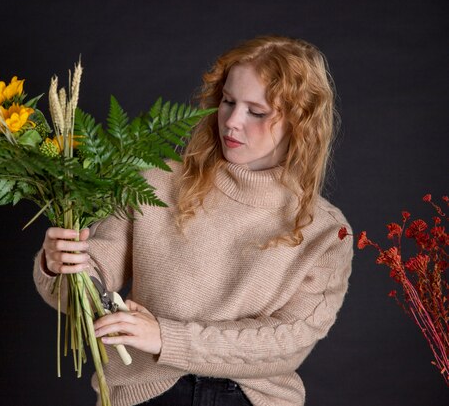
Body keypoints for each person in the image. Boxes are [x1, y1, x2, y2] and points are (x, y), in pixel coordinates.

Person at [33, 34, 354, 406]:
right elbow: (89, 291)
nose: (232, 121)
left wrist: (165, 338)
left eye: (257, 111)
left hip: (251, 399)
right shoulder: (153, 181)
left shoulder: (326, 230)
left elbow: (286, 342)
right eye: (228, 102)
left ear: (301, 121)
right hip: (143, 393)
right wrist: (62, 268)